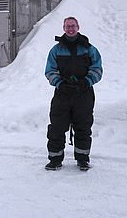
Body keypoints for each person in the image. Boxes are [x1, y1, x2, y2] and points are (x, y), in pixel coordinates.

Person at [44, 16, 103, 171]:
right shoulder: (56, 50)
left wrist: (86, 82)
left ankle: (83, 159)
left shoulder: (89, 49)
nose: (70, 29)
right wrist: (60, 83)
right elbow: (50, 71)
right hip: (62, 94)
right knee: (56, 127)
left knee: (83, 127)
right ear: (64, 28)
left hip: (83, 94)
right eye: (67, 26)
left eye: (73, 26)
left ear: (78, 27)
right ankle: (55, 160)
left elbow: (97, 70)